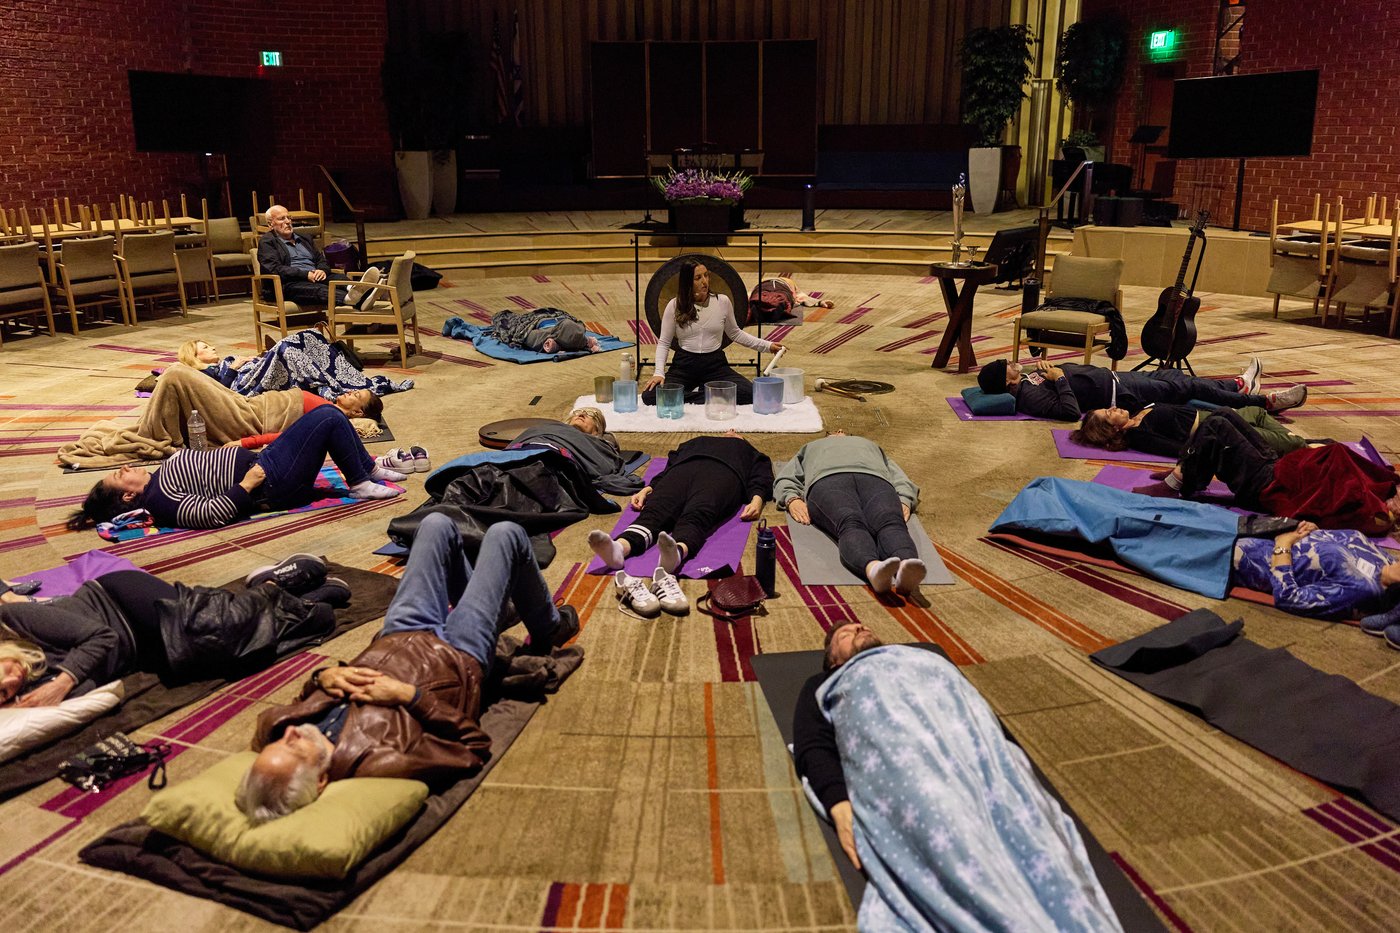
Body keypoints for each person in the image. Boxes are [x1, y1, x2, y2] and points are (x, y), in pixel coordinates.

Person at [234, 514, 581, 824]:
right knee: (507, 534)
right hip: (457, 657)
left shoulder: (278, 727)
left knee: (436, 524)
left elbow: (291, 710)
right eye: (293, 749)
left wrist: (321, 677)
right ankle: (548, 626)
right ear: (321, 780)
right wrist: (409, 697)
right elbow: (473, 749)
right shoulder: (379, 762)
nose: (291, 734)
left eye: (276, 744)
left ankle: (490, 604)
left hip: (398, 633)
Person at [792, 625, 1123, 931]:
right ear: (832, 661)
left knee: (1034, 833)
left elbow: (976, 711)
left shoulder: (921, 658)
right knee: (947, 821)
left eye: (861, 624)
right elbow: (812, 743)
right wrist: (838, 801)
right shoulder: (827, 684)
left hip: (972, 752)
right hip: (907, 757)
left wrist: (1004, 760)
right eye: (846, 633)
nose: (860, 627)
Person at [0, 556, 344, 708]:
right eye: (2, 694)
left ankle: (272, 584)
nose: (8, 683)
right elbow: (92, 682)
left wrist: (62, 681)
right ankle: (305, 599)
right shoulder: (28, 693)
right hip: (139, 649)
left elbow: (101, 638)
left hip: (120, 600)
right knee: (232, 660)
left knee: (217, 628)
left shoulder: (14, 621)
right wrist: (45, 698)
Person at [66, 404, 415, 532]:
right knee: (326, 417)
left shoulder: (160, 479)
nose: (126, 466)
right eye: (119, 474)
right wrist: (247, 484)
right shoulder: (160, 500)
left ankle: (367, 470)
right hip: (272, 483)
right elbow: (209, 515)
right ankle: (359, 482)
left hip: (265, 464)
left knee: (329, 414)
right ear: (128, 494)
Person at [587, 431, 773, 617]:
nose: (731, 431)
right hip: (681, 471)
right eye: (728, 430)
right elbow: (668, 468)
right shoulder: (695, 442)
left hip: (724, 474)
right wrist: (648, 488)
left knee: (698, 514)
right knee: (655, 512)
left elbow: (762, 478)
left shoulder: (750, 451)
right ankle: (619, 549)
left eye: (736, 431)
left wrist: (757, 499)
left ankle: (676, 552)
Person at [1159, 408, 1399, 536]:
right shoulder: (1384, 488)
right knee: (1224, 414)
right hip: (1277, 465)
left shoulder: (1378, 516)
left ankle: (1177, 481)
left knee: (1216, 426)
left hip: (1266, 484)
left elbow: (1330, 513)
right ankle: (1188, 472)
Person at [774, 431, 925, 595]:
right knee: (852, 521)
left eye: (841, 431)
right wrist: (791, 498)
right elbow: (787, 476)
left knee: (889, 521)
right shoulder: (811, 447)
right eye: (833, 432)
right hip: (831, 480)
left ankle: (906, 567)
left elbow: (898, 475)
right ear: (828, 437)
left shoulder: (869, 444)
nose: (838, 432)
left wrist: (904, 498)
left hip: (870, 479)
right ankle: (874, 569)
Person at [976, 355, 1307, 421]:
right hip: (1122, 396)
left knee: (1176, 379)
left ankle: (1236, 384)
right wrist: (1059, 378)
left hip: (1119, 380)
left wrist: (1051, 373)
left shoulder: (1027, 381)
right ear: (1006, 380)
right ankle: (1264, 402)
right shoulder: (1027, 396)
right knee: (1184, 387)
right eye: (1005, 365)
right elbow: (1068, 412)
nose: (1010, 361)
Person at [642, 259, 784, 405]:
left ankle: (688, 396)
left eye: (706, 275)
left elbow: (735, 333)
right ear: (687, 282)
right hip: (684, 365)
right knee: (649, 396)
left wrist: (767, 346)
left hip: (715, 365)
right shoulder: (674, 305)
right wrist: (658, 373)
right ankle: (711, 394)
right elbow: (664, 342)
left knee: (749, 393)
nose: (705, 281)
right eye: (698, 278)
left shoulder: (722, 301)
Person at [1072, 402, 1312, 458]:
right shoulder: (1139, 435)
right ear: (1111, 430)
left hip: (1220, 414)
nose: (1113, 407)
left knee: (1257, 411)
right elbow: (1179, 449)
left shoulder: (1136, 413)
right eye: (1108, 413)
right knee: (1296, 446)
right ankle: (1302, 444)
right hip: (1220, 429)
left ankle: (1293, 440)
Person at [256, 205, 380, 311]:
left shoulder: (304, 238)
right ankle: (359, 297)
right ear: (270, 224)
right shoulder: (267, 242)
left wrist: (321, 270)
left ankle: (354, 289)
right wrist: (305, 275)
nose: (288, 221)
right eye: (281, 219)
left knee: (338, 277)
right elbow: (274, 269)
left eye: (289, 217)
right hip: (288, 283)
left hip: (315, 276)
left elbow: (321, 260)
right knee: (317, 289)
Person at [490, 308, 601, 354]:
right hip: (543, 324)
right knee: (530, 337)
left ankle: (563, 343)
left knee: (568, 326)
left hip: (560, 326)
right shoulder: (537, 328)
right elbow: (522, 334)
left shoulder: (568, 324)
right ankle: (566, 343)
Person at [178, 340, 249, 387]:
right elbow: (219, 391)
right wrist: (233, 369)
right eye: (205, 347)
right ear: (194, 356)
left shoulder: (217, 367)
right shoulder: (202, 374)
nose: (213, 348)